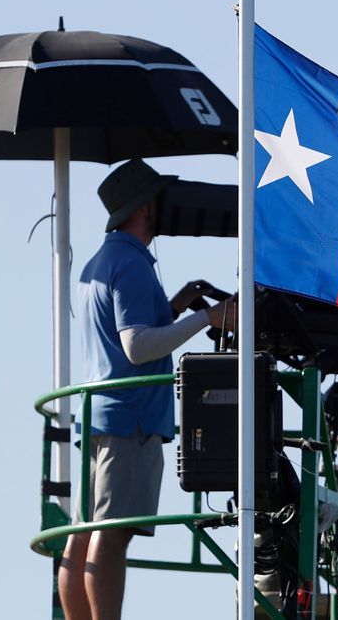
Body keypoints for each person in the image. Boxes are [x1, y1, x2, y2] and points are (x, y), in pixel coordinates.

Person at [59, 159, 235, 620]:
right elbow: (136, 347)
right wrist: (207, 319)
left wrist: (174, 307)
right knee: (113, 532)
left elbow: (121, 337)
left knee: (84, 530)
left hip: (98, 416)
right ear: (144, 208)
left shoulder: (102, 262)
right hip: (130, 417)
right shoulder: (132, 265)